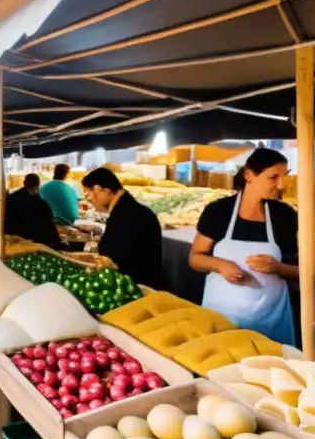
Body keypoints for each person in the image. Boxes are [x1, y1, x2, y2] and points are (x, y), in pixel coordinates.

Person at [189, 148, 298, 346]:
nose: (281, 185)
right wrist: (220, 265)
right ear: (249, 175)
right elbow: (195, 258)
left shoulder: (285, 216)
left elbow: (303, 272)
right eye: (273, 177)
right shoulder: (218, 211)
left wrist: (279, 268)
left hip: (270, 322)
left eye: (284, 177)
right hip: (222, 316)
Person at [82, 167, 166, 290]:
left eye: (89, 192)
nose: (89, 199)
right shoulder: (131, 209)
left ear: (100, 190)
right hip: (144, 283)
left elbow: (111, 259)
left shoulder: (126, 215)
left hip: (137, 289)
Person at [6, 174, 61, 247]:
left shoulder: (10, 199)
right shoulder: (42, 204)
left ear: (24, 184)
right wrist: (57, 242)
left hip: (14, 242)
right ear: (38, 185)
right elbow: (49, 226)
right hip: (37, 243)